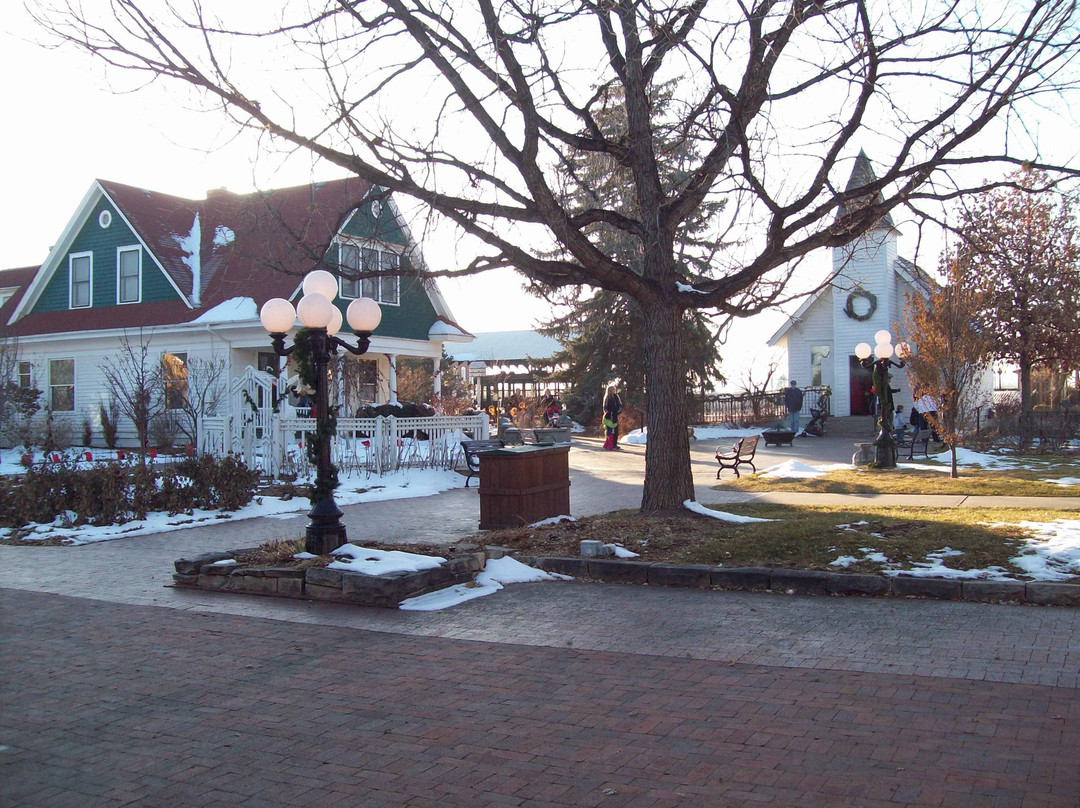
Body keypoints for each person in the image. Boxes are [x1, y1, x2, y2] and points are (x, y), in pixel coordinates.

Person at [602, 385, 623, 450]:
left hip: (615, 415)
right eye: (613, 389)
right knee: (609, 430)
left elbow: (620, 405)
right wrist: (607, 413)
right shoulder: (607, 397)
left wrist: (618, 412)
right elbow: (605, 407)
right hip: (609, 416)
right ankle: (609, 444)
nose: (615, 390)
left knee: (616, 430)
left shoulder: (616, 397)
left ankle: (614, 444)